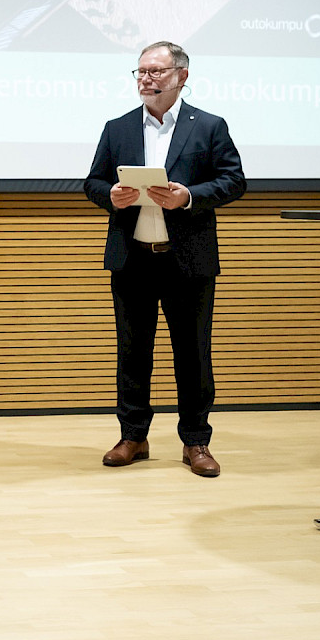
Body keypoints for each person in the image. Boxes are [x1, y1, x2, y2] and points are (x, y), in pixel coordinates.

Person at [83, 41, 246, 477]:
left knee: (192, 354)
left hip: (187, 261)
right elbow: (93, 182)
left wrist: (188, 196)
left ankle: (196, 441)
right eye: (140, 71)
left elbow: (233, 181)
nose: (145, 79)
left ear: (181, 77)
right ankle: (133, 436)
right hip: (133, 259)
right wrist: (110, 196)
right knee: (132, 353)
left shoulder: (209, 126)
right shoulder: (118, 127)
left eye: (155, 71)